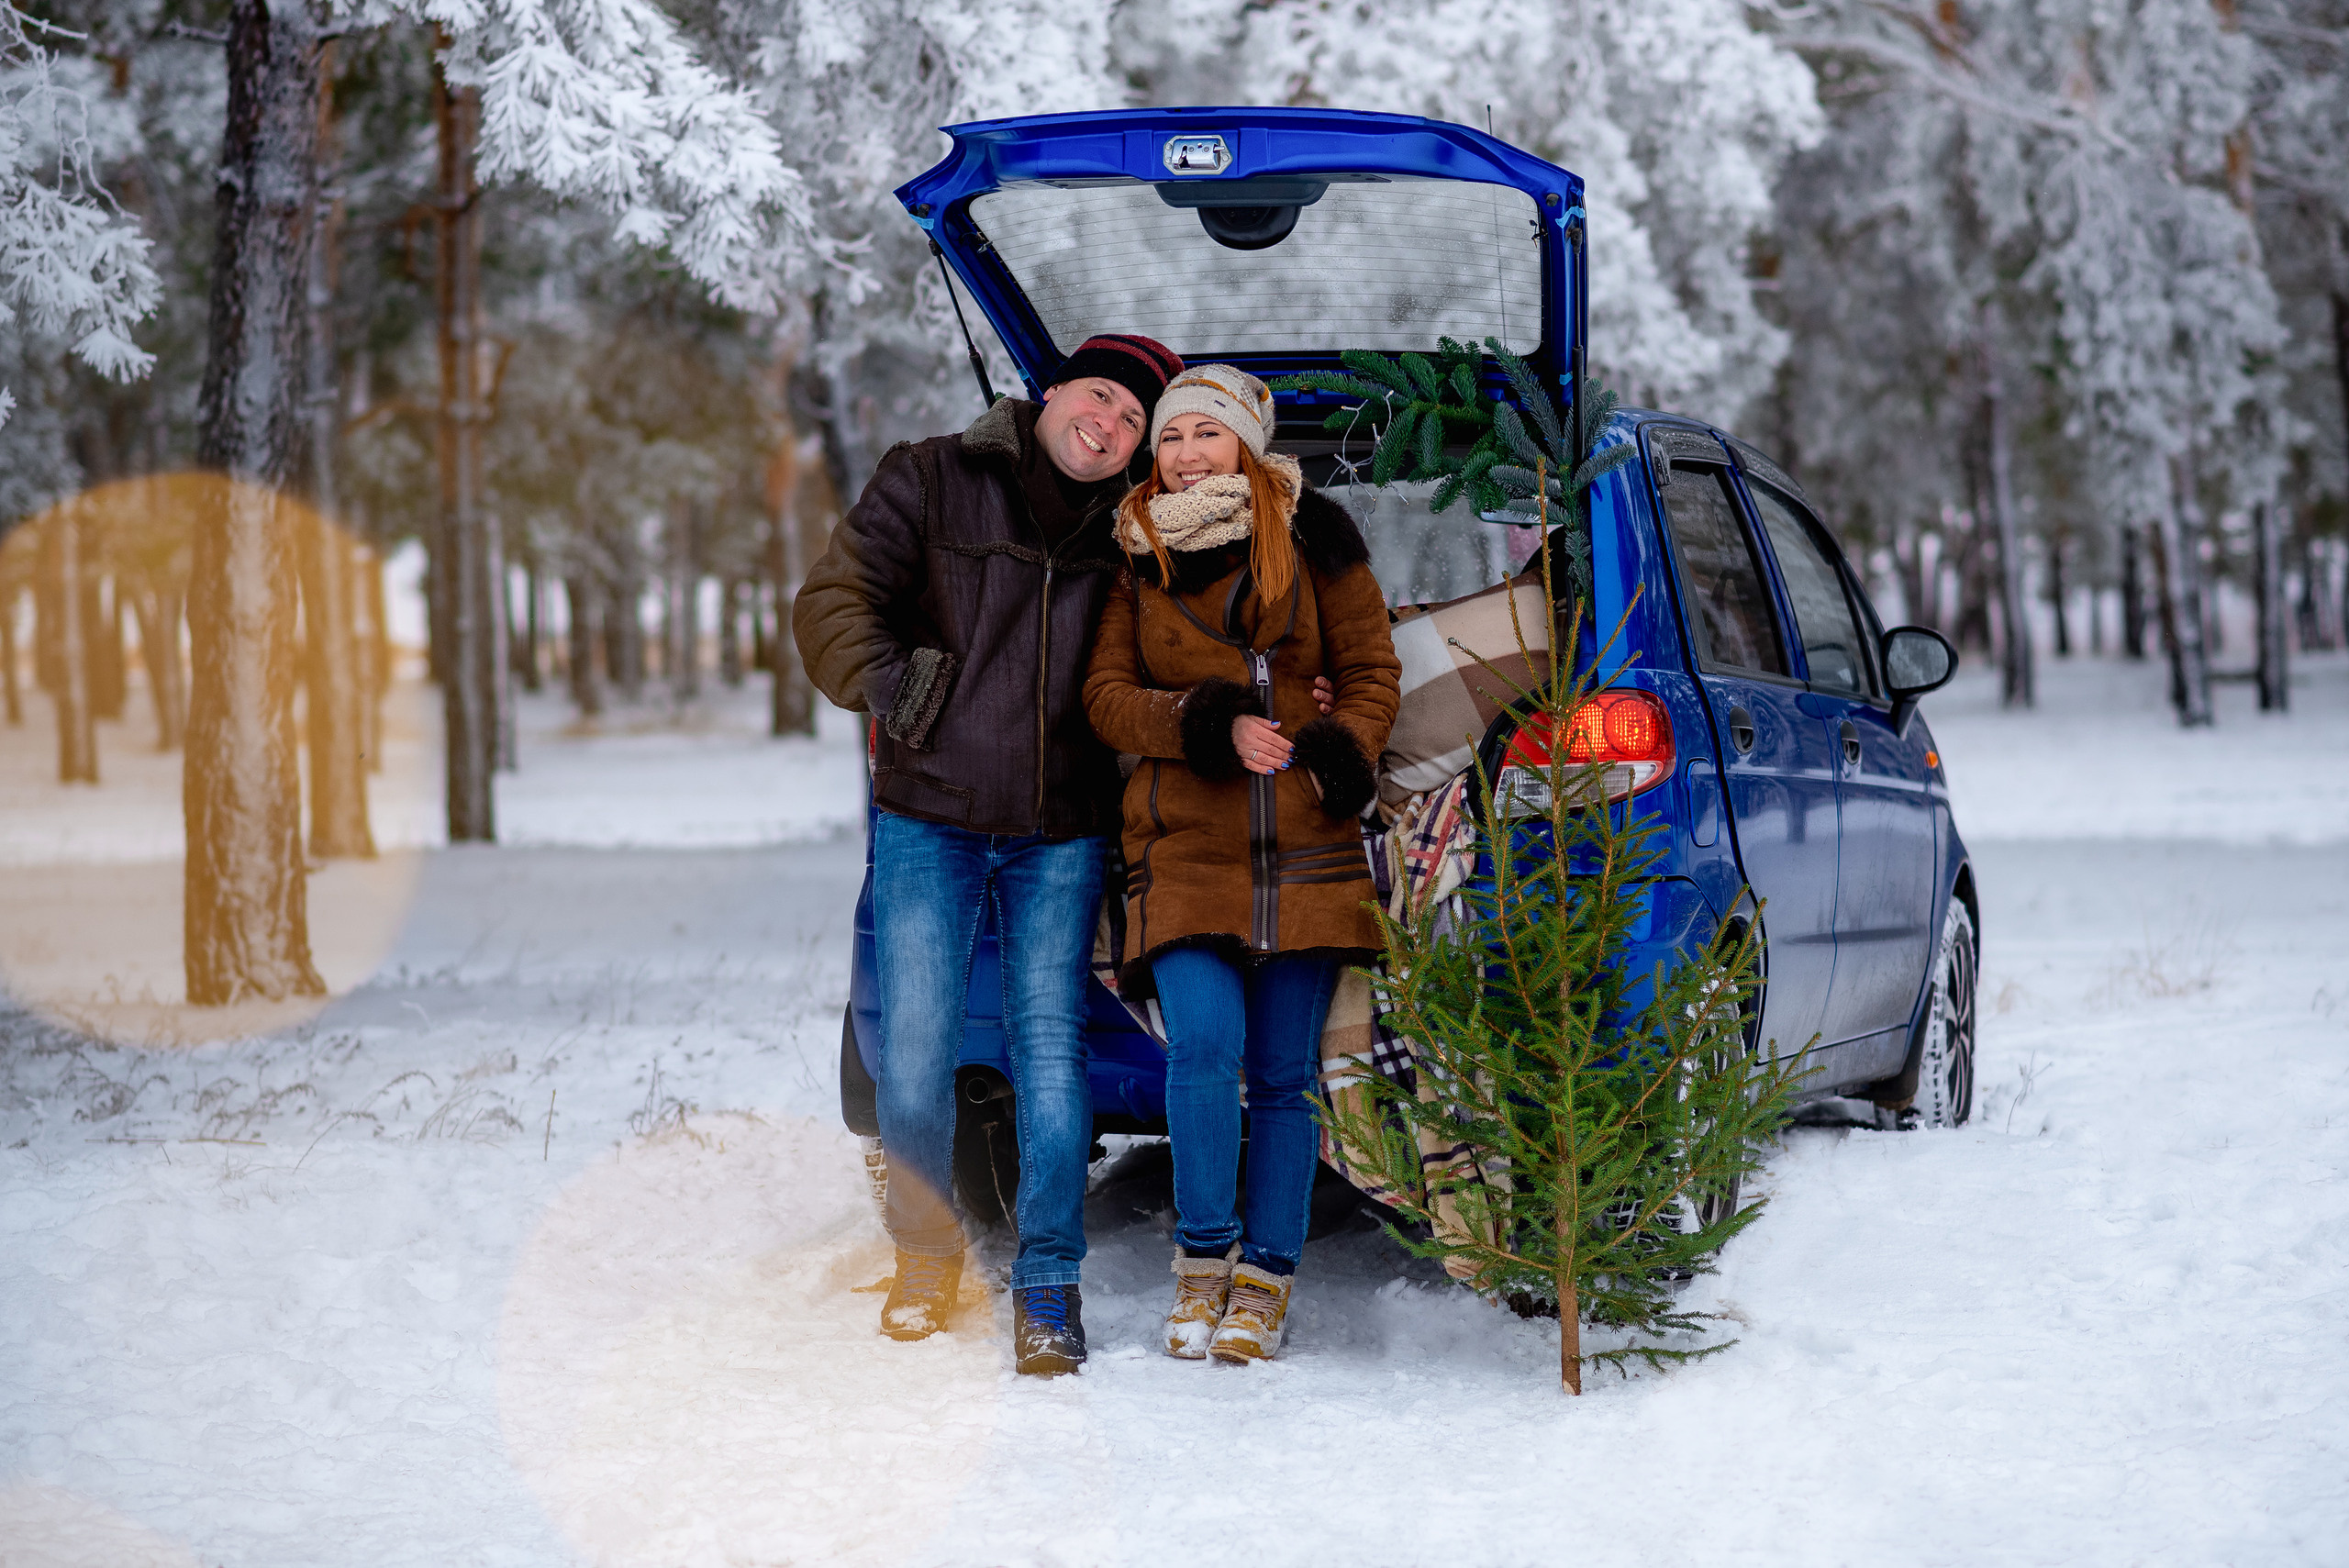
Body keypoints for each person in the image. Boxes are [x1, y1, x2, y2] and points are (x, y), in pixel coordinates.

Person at [794, 334, 1184, 1376]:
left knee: (1050, 1052)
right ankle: (926, 1256)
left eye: (1133, 422)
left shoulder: (1140, 531)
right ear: (1051, 388)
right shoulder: (930, 475)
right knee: (913, 1057)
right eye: (1101, 396)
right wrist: (893, 686)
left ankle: (1049, 1278)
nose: (1108, 424)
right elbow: (831, 601)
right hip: (932, 814)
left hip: (1061, 831)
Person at [1082, 364, 1400, 1363]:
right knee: (1202, 1051)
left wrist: (1334, 747)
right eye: (1169, 439)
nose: (1181, 457)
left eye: (1203, 437)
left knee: (1282, 1077)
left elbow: (1370, 670)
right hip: (1185, 850)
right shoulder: (1133, 557)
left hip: (1305, 848)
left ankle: (1264, 1284)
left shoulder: (1318, 542)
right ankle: (1201, 1264)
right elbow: (1105, 695)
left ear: (1246, 448)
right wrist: (1206, 722)